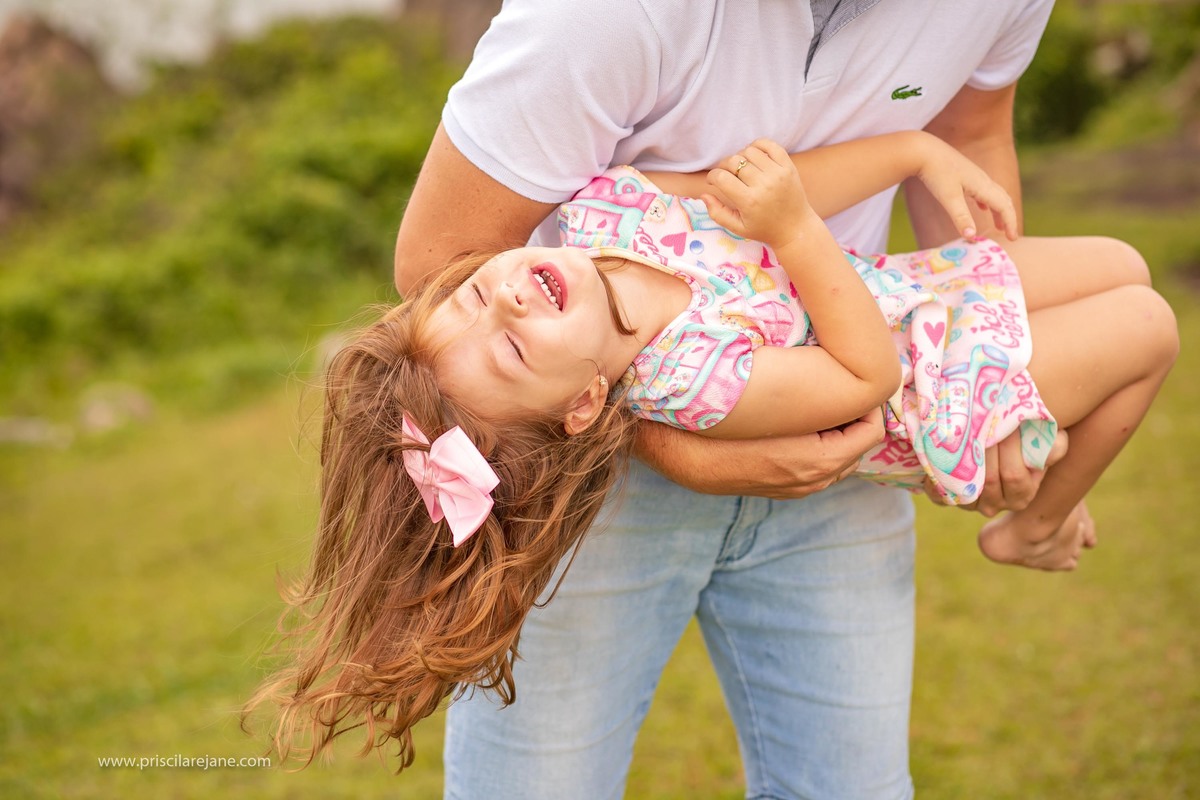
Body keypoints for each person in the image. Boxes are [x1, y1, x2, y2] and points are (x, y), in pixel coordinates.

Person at [245, 133, 1177, 777]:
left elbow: (759, 190)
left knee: (1123, 261)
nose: (511, 305)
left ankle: (1052, 464)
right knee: (1150, 324)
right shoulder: (686, 381)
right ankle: (1039, 519)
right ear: (581, 405)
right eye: (515, 350)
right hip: (929, 386)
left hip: (913, 290)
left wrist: (913, 152)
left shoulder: (605, 213)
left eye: (476, 300)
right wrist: (797, 233)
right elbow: (863, 372)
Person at [396, 3, 1066, 797]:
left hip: (836, 456)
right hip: (586, 477)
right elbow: (438, 267)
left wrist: (1032, 402)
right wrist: (671, 443)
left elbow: (973, 134)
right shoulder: (601, 19)